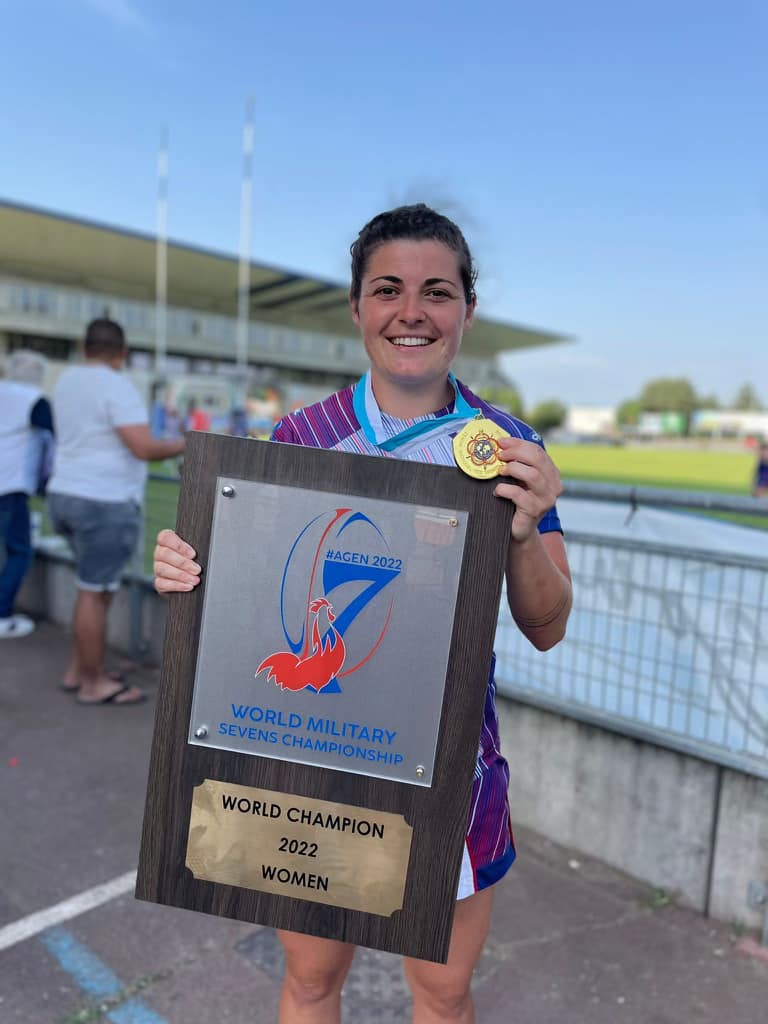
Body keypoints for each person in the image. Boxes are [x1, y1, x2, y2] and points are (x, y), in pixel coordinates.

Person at [153, 204, 572, 1022]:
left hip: (447, 765)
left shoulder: (509, 446)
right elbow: (243, 606)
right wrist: (189, 575)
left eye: (436, 292)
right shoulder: (296, 438)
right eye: (388, 289)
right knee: (312, 981)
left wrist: (522, 535)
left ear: (466, 311)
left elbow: (549, 625)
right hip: (308, 756)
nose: (411, 311)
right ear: (357, 308)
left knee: (444, 995)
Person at [47, 318, 186, 704]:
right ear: (122, 353)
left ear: (84, 346)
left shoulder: (68, 380)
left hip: (64, 494)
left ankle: (80, 670)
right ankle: (93, 684)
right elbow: (142, 447)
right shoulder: (116, 384)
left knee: (91, 588)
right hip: (102, 502)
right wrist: (186, 443)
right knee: (94, 592)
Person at [0, 349, 54, 639]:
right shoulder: (34, 400)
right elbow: (58, 435)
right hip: (9, 485)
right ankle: (2, 614)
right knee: (19, 551)